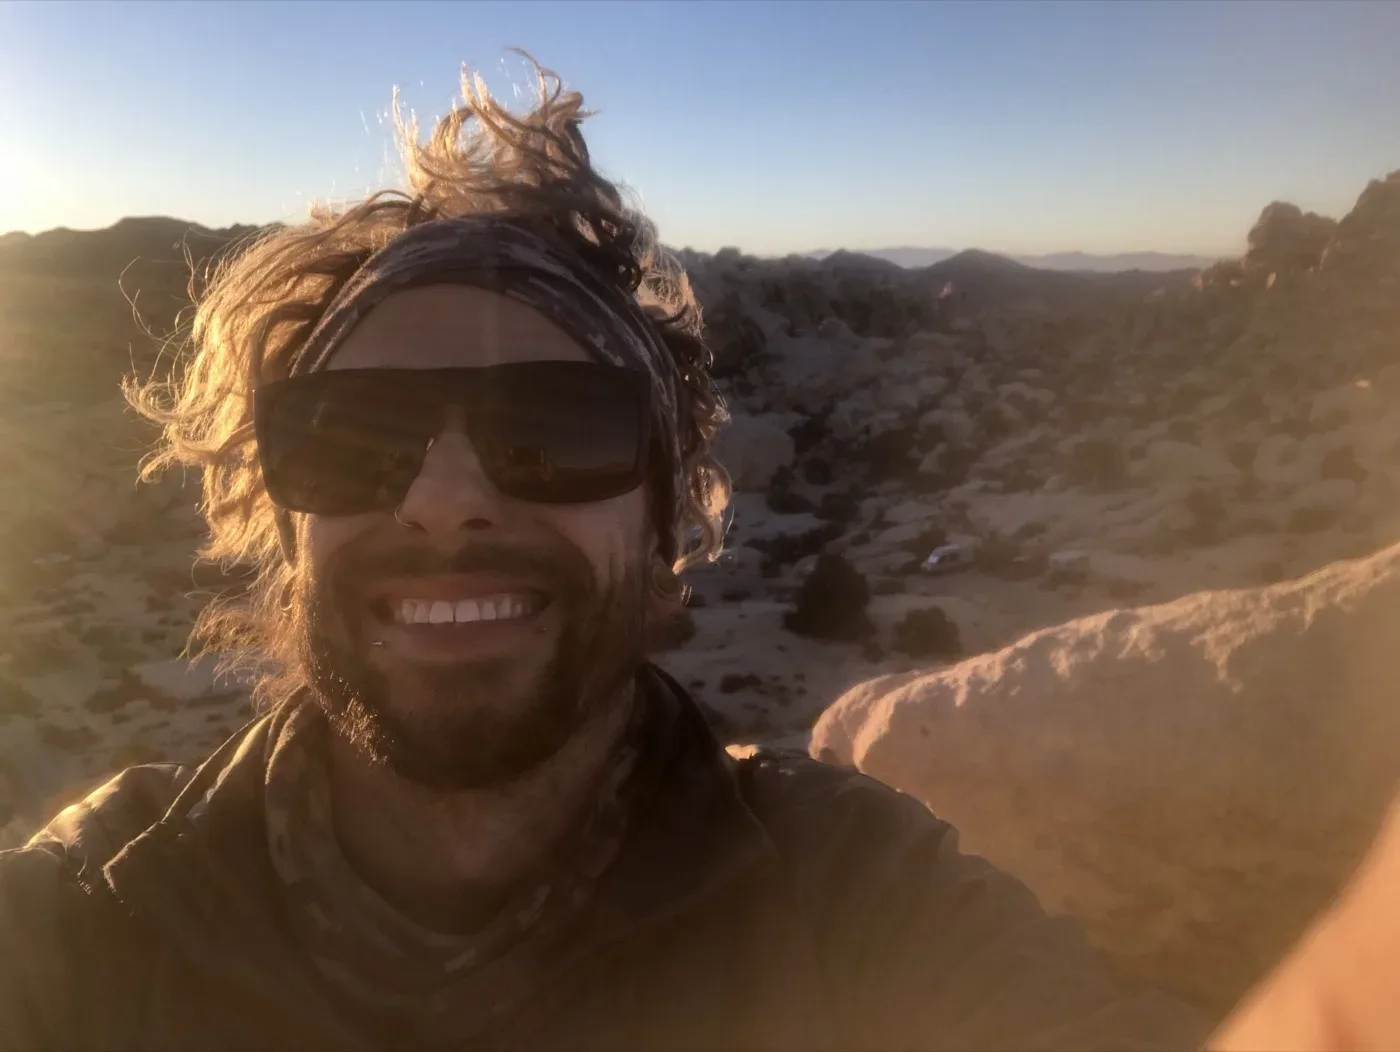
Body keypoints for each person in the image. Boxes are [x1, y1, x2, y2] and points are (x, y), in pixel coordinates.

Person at [0, 57, 1221, 1051]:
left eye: (550, 429)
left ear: (668, 512)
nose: (442, 500)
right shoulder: (91, 913)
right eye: (354, 438)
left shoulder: (850, 899)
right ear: (279, 514)